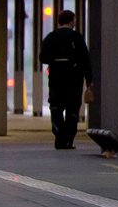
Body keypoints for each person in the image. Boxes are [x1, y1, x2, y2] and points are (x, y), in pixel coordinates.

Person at [38, 8, 94, 149]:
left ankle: (59, 134)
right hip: (74, 80)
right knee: (72, 110)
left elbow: (42, 57)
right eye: (74, 20)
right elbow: (85, 59)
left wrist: (55, 61)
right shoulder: (77, 37)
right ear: (71, 21)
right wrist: (89, 79)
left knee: (56, 107)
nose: (75, 22)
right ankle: (68, 139)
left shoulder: (51, 37)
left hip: (56, 79)